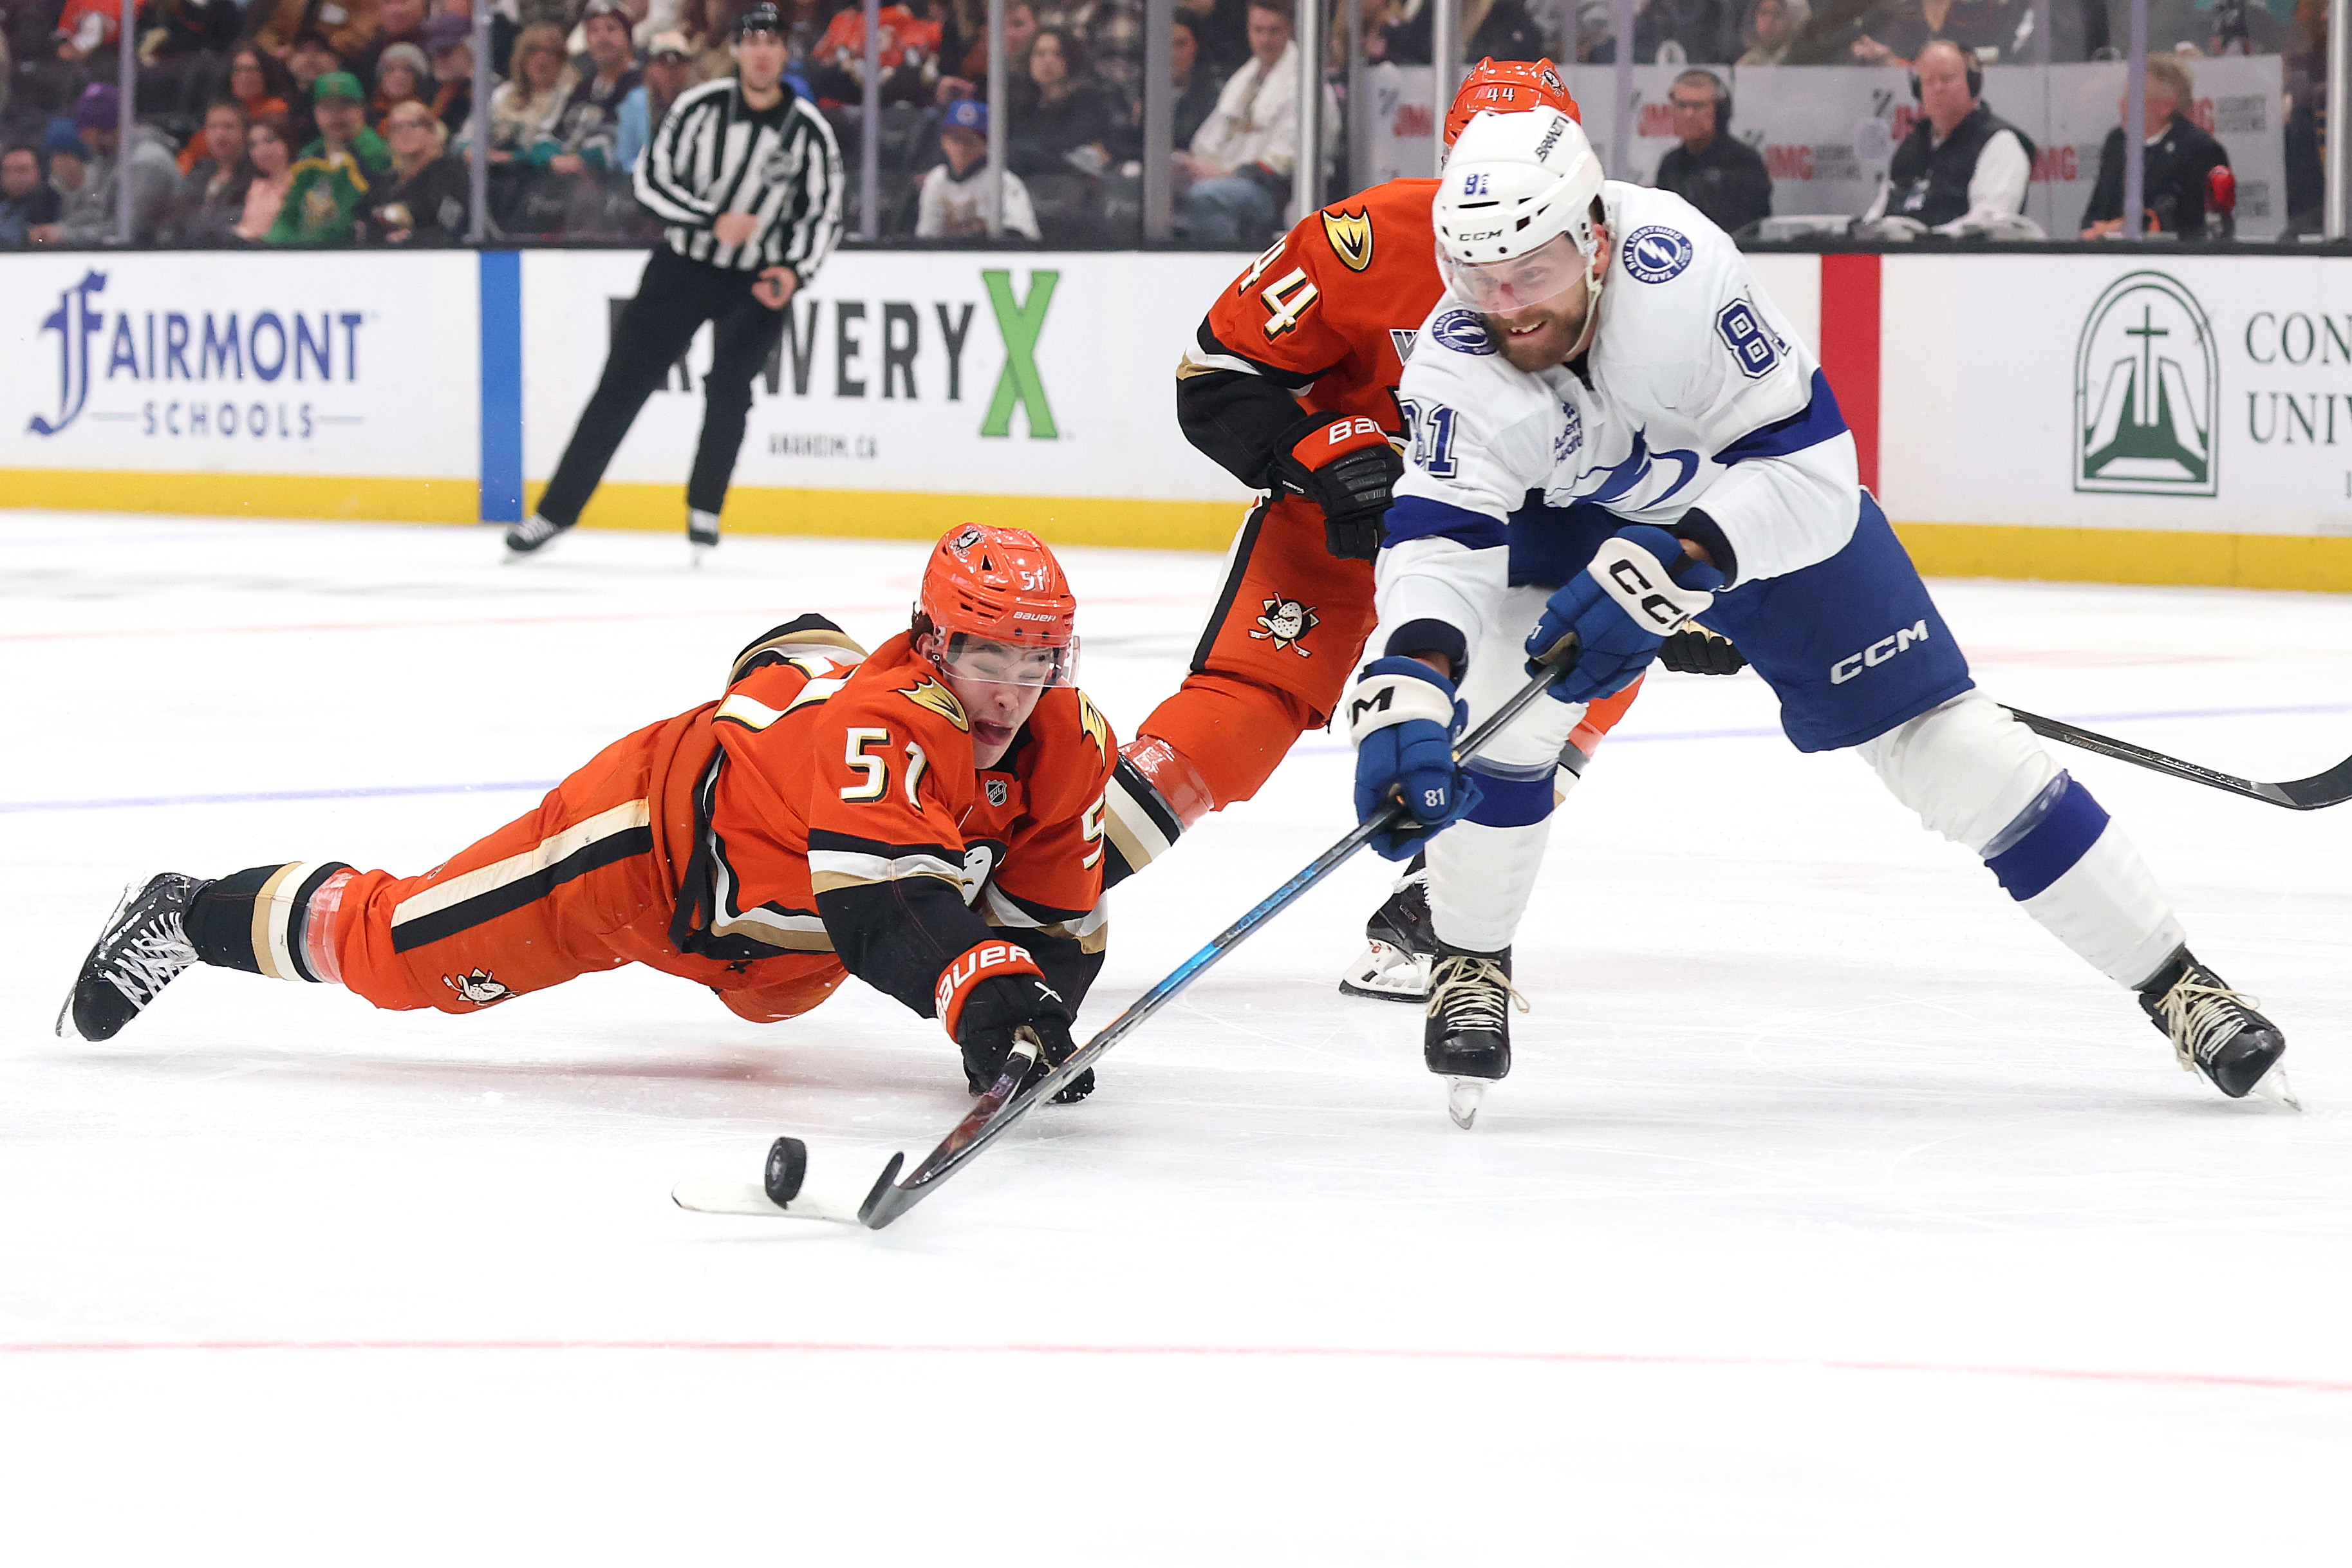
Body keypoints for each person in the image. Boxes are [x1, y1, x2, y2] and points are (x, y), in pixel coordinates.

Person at [1348, 106, 2292, 1123]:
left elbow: (1811, 477)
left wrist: (1678, 573)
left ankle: (2178, 982)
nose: (1504, 307)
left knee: (1952, 749)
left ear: (1596, 239)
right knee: (1497, 697)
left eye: (1529, 272)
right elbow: (1439, 542)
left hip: (1748, 501)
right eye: (1475, 277)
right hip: (1573, 521)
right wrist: (1406, 685)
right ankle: (1469, 958)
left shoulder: (1679, 275)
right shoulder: (1457, 354)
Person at [57, 527, 1115, 1112]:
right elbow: (890, 907)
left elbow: (1053, 918)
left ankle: (791, 658)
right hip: (643, 851)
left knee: (776, 1000)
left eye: (1038, 661)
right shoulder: (888, 725)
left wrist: (1029, 1021)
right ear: (932, 646)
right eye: (988, 657)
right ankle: (185, 914)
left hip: (772, 943)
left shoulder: (1066, 734)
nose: (1012, 691)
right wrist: (988, 1003)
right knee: (398, 956)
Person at [1118, 60, 1713, 1007]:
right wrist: (1326, 447)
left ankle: (1443, 899)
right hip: (1344, 531)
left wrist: (1710, 568)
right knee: (1237, 713)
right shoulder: (1357, 243)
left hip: (1522, 551)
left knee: (1580, 665)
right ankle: (1047, 880)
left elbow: (1724, 450)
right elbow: (1214, 378)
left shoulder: (1651, 268)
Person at [509, 3, 844, 563]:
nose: (762, 51)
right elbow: (650, 179)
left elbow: (827, 211)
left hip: (758, 280)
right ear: (735, 50)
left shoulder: (809, 130)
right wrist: (710, 219)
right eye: (752, 40)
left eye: (772, 41)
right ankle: (554, 512)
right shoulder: (699, 108)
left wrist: (793, 270)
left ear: (784, 52)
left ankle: (704, 510)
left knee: (731, 391)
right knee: (622, 384)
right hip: (684, 267)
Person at [1177, 0, 1332, 247]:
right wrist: (1193, 165)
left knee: (1208, 196)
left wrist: (1224, 175)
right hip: (1226, 178)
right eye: (1258, 30)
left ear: (1290, 30)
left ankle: (1224, 269)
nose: (1265, 40)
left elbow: (1283, 165)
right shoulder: (1243, 79)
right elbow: (1210, 139)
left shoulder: (1305, 82)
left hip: (1272, 194)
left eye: (1274, 31)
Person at [1860, 39, 2032, 236]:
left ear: (1973, 84)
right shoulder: (1912, 145)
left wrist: (1926, 240)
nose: (1938, 88)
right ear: (1918, 90)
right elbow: (1879, 212)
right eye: (1929, 81)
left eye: (1947, 79)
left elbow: (1988, 223)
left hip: (1964, 262)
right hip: (1904, 261)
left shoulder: (2000, 143)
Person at [2080, 54, 2230, 240]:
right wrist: (2092, 232)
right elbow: (2096, 211)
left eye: (2132, 97)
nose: (2121, 104)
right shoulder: (2117, 142)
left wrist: (2127, 228)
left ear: (2166, 106)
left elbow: (2208, 228)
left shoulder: (2201, 150)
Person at [47, 84, 183, 244]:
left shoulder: (145, 162)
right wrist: (59, 229)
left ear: (110, 130)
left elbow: (129, 230)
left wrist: (66, 236)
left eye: (88, 132)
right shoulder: (108, 160)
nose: (84, 139)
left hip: (153, 259)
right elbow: (95, 211)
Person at [268, 71, 392, 244]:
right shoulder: (309, 156)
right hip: (302, 252)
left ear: (361, 109)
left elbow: (350, 220)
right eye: (327, 107)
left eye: (345, 106)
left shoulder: (379, 154)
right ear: (316, 112)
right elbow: (288, 215)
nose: (336, 114)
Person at [1652, 68, 1769, 236]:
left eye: (1698, 106)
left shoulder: (1744, 162)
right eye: (1682, 105)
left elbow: (1747, 230)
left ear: (1720, 112)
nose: (1689, 114)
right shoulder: (1670, 164)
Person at [915, 97, 1042, 238]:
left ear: (986, 145)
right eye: (956, 139)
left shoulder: (1003, 181)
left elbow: (1024, 235)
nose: (961, 148)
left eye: (970, 141)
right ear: (944, 140)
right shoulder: (936, 180)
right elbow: (926, 236)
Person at [360, 100, 469, 241]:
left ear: (431, 131)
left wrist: (412, 238)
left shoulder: (450, 172)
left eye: (413, 125)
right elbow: (367, 224)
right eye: (397, 127)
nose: (405, 132)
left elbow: (452, 225)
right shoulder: (386, 182)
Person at [615, 28, 698, 172]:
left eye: (678, 62)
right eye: (662, 62)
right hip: (641, 180)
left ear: (688, 66)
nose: (670, 71)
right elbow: (625, 157)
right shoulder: (635, 103)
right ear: (650, 68)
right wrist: (653, 172)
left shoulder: (702, 104)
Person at [233, 115, 296, 240]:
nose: (261, 150)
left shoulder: (299, 183)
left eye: (269, 140)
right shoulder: (256, 186)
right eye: (254, 145)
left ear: (286, 141)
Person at [1169, 14, 1224, 151]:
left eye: (1181, 44)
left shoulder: (1216, 96)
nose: (1173, 54)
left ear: (1196, 46)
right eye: (1167, 45)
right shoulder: (1142, 95)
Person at [1, 143, 62, 246]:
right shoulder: (3, 207)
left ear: (39, 171)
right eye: (8, 171)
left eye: (22, 170)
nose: (14, 178)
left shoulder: (55, 204)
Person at [371, 41, 432, 134]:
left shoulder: (427, 116)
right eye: (390, 69)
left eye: (407, 70)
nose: (399, 76)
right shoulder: (364, 116)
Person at [1736, 0, 1807, 62]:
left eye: (1777, 14)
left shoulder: (1802, 61)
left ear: (1795, 21)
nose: (1769, 21)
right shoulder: (1749, 63)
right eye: (1764, 13)